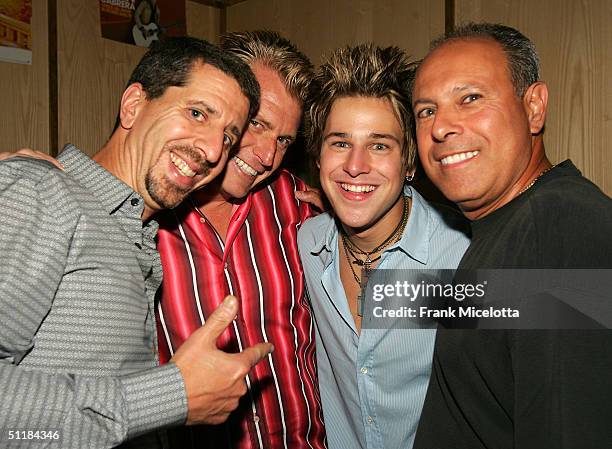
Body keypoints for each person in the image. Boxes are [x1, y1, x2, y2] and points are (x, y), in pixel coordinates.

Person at [0, 36, 273, 449]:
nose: (213, 150)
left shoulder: (144, 233)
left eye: (228, 137)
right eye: (197, 113)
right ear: (133, 105)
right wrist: (170, 397)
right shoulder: (41, 191)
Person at [410, 23, 612, 448]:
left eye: (470, 98)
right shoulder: (503, 226)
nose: (441, 126)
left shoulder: (557, 226)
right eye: (426, 110)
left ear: (534, 106)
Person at [155, 31, 327, 449]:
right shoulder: (139, 217)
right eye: (257, 124)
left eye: (284, 139)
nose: (267, 155)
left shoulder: (299, 207)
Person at [298, 44, 470, 449]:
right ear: (318, 158)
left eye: (379, 145)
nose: (355, 165)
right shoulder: (306, 243)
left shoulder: (463, 252)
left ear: (410, 162)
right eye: (339, 143)